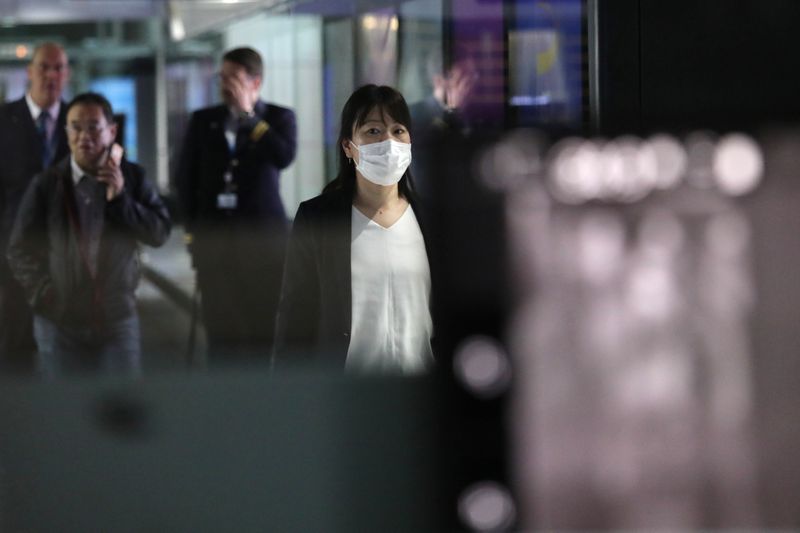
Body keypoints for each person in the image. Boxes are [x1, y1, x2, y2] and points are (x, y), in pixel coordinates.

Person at [6, 92, 171, 376]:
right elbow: (19, 248)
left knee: (122, 410)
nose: (84, 136)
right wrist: (43, 292)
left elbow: (159, 232)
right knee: (62, 411)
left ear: (112, 131)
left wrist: (120, 198)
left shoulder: (132, 178)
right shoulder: (48, 184)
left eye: (94, 127)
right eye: (75, 127)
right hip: (58, 322)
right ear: (66, 132)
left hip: (117, 320)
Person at [273, 84, 435, 374]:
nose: (388, 142)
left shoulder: (431, 219)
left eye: (398, 131)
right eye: (373, 131)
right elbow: (296, 317)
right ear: (349, 146)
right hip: (347, 395)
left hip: (421, 396)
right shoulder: (319, 220)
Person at [176, 46, 297, 362]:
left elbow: (283, 156)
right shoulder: (204, 121)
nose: (225, 83)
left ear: (255, 83)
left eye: (234, 77)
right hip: (215, 243)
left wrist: (249, 117)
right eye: (222, 76)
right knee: (221, 330)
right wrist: (192, 235)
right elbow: (185, 180)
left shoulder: (279, 117)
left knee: (263, 328)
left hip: (263, 244)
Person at [0, 42, 71, 372]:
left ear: (66, 74)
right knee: (17, 343)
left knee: (65, 345)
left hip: (67, 256)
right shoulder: (4, 121)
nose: (50, 75)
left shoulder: (80, 122)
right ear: (29, 72)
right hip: (13, 253)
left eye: (58, 68)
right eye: (44, 67)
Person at [408, 52, 477, 198]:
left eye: (473, 76)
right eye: (463, 78)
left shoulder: (475, 116)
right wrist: (453, 112)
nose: (470, 84)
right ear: (439, 81)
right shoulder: (414, 115)